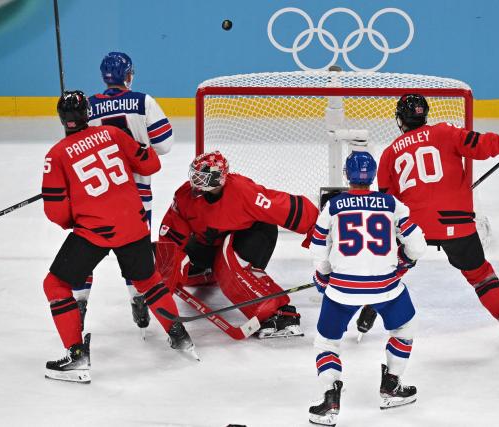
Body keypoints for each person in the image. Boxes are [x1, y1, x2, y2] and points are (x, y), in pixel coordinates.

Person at [41, 91, 195, 383]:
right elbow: (150, 165)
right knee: (148, 281)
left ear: (62, 119)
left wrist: (76, 217)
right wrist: (133, 150)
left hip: (94, 232)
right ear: (87, 113)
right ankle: (180, 335)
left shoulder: (56, 156)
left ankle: (76, 356)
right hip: (133, 224)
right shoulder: (112, 134)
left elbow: (56, 212)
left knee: (56, 284)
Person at [371, 93, 499, 347]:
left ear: (400, 120)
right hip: (456, 221)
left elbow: (388, 203)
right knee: (480, 274)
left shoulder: (389, 154)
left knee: (389, 270)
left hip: (414, 226)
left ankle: (370, 308)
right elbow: (481, 144)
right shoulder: (445, 132)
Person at [307, 151, 426, 425]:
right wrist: (405, 260)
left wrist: (323, 276)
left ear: (347, 176)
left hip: (341, 290)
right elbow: (417, 246)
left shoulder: (333, 205)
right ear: (372, 176)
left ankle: (330, 398)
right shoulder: (391, 203)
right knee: (405, 328)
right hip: (386, 286)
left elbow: (318, 248)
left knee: (326, 343)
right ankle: (391, 386)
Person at [157, 151, 319, 338]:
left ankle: (280, 313)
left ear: (218, 178)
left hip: (255, 234)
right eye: (195, 175)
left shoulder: (242, 191)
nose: (195, 180)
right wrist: (162, 279)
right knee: (174, 261)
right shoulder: (185, 196)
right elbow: (170, 237)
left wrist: (317, 228)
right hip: (211, 243)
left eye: (202, 177)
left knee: (228, 263)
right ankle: (210, 273)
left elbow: (280, 206)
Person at [74, 51, 175, 336]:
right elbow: (165, 144)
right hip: (137, 195)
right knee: (137, 253)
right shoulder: (143, 101)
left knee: (85, 250)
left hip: (98, 196)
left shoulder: (89, 106)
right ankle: (138, 298)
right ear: (129, 75)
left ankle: (79, 304)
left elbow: (74, 149)